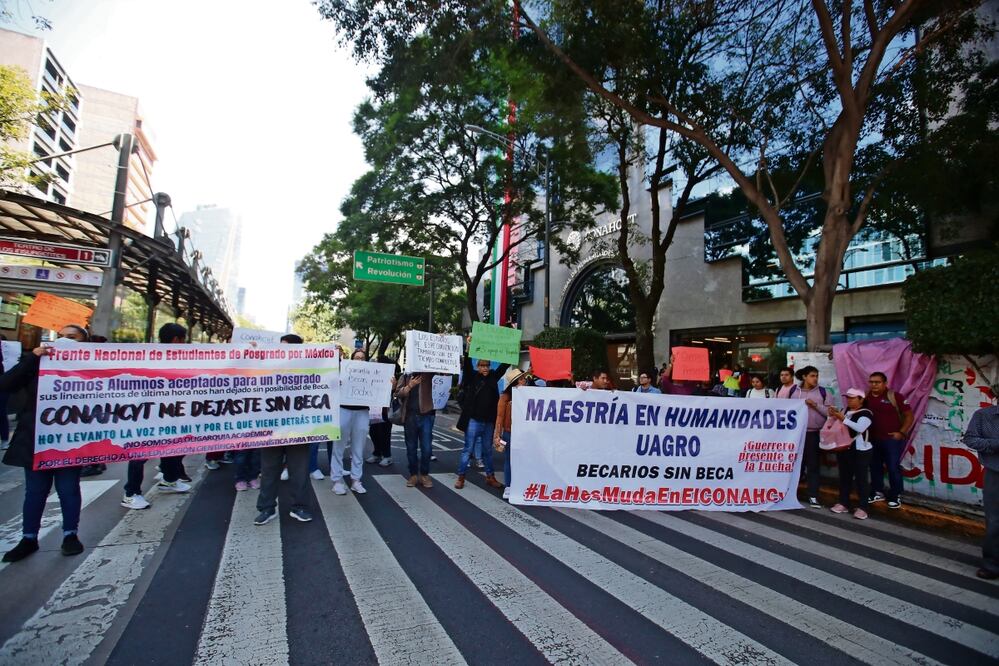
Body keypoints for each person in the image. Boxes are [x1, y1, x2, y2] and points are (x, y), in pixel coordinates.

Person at [2, 324, 89, 563]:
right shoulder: (37, 364)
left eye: (72, 338)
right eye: (61, 336)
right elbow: (6, 384)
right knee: (35, 492)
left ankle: (70, 535)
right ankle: (28, 538)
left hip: (72, 440)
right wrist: (33, 357)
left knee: (69, 489)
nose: (64, 341)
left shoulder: (91, 368)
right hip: (36, 439)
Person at [121, 323, 191, 510]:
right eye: (184, 340)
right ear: (177, 340)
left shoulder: (160, 356)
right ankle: (131, 493)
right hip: (149, 415)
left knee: (173, 447)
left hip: (170, 413)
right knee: (140, 453)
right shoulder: (158, 357)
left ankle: (169, 480)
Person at [255, 334, 314, 525]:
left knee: (299, 470)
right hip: (272, 427)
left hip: (298, 428)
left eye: (285, 347)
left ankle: (299, 507)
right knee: (269, 469)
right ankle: (266, 508)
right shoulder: (269, 367)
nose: (280, 350)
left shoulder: (309, 369)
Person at [455, 357, 508, 489]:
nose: (485, 368)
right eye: (482, 366)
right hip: (473, 420)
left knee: (488, 450)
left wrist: (512, 348)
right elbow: (467, 365)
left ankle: (490, 477)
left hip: (489, 421)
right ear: (477, 367)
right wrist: (468, 349)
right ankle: (461, 477)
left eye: (487, 366)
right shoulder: (472, 377)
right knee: (468, 449)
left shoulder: (493, 376)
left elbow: (504, 366)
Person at [865, 371, 914, 509]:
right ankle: (877, 492)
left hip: (891, 440)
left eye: (877, 382)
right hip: (872, 439)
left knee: (893, 467)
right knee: (875, 466)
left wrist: (901, 432)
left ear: (885, 383)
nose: (874, 385)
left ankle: (895, 495)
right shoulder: (866, 396)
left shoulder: (894, 396)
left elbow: (909, 416)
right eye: (871, 382)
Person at [964, 401, 999, 579]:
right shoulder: (983, 415)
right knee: (995, 522)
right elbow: (969, 439)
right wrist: (995, 444)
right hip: (995, 474)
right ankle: (992, 565)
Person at [827, 388, 874, 520]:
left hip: (860, 450)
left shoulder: (866, 413)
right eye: (848, 397)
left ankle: (863, 507)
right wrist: (832, 415)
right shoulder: (845, 410)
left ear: (861, 399)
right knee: (844, 477)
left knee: (861, 479)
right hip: (844, 448)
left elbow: (859, 428)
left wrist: (843, 418)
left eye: (852, 398)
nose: (849, 400)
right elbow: (835, 425)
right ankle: (843, 502)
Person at [791, 365, 833, 508]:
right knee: (796, 465)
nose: (815, 379)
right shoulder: (793, 391)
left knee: (813, 466)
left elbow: (830, 413)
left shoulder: (823, 392)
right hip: (796, 434)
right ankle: (791, 493)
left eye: (816, 376)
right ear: (804, 377)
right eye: (812, 376)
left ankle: (813, 495)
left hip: (814, 434)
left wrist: (815, 405)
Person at [332, 349, 371, 496]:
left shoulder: (371, 374)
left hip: (362, 412)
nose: (359, 360)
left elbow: (381, 390)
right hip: (343, 410)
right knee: (338, 447)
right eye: (357, 358)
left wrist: (390, 384)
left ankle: (356, 480)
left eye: (362, 358)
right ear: (351, 360)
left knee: (358, 448)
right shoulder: (342, 371)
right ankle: (336, 481)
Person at [396, 370, 437, 488]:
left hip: (426, 416)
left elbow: (443, 370)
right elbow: (397, 393)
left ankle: (424, 474)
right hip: (409, 417)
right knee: (411, 448)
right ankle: (413, 474)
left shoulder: (428, 373)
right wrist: (409, 386)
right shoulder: (405, 375)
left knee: (427, 448)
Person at [494, 368, 529, 500]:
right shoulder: (505, 397)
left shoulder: (529, 394)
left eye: (524, 378)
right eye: (520, 379)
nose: (524, 381)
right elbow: (499, 416)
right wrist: (497, 435)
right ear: (514, 383)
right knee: (509, 460)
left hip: (525, 434)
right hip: (510, 433)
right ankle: (508, 486)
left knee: (523, 460)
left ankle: (520, 485)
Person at [365, 356, 397, 468]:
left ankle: (387, 456)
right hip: (373, 408)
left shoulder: (391, 376)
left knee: (384, 433)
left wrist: (394, 386)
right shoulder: (372, 374)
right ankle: (377, 453)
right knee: (373, 432)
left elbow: (394, 391)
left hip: (385, 410)